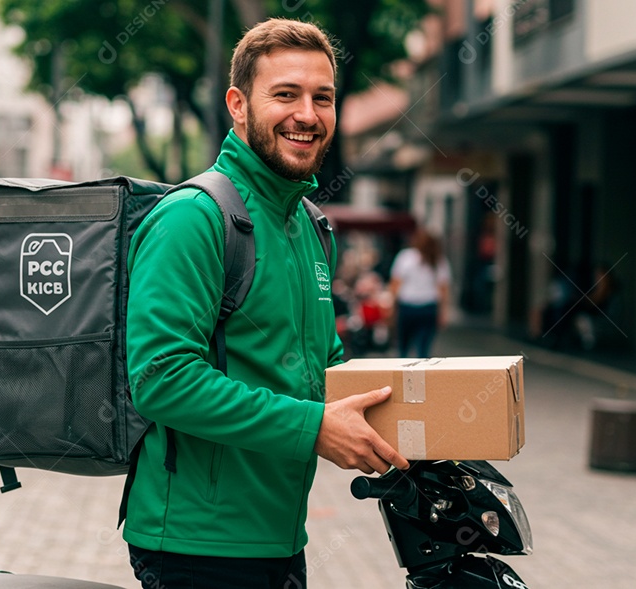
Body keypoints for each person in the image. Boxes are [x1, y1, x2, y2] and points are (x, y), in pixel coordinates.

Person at [122, 19, 409, 589]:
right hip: (196, 547)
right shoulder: (193, 218)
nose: (307, 114)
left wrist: (429, 416)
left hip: (279, 539)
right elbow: (161, 378)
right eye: (285, 94)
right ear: (238, 104)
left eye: (321, 98)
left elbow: (323, 369)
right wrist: (314, 429)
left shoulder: (308, 225)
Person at [388, 227, 451, 358]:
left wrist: (392, 307)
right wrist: (443, 311)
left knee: (403, 348)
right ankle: (421, 377)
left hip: (407, 307)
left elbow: (395, 285)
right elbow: (443, 289)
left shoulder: (405, 257)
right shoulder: (439, 260)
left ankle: (402, 376)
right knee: (423, 349)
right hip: (428, 307)